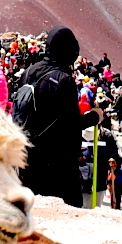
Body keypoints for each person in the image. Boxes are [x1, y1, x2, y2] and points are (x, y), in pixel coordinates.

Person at [14, 25, 90, 205]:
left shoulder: (29, 72)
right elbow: (70, 124)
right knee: (68, 213)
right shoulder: (64, 80)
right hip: (57, 163)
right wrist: (94, 117)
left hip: (28, 157)